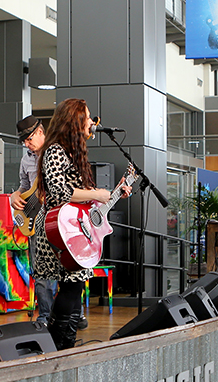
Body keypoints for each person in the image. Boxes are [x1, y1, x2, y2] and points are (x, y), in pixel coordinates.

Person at [32, 99, 130, 349]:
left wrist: (115, 192)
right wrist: (97, 194)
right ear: (73, 121)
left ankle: (65, 345)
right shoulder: (54, 150)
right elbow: (58, 190)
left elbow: (83, 200)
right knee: (71, 288)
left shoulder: (72, 152)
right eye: (86, 117)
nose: (92, 122)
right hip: (59, 229)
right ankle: (57, 346)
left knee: (74, 288)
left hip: (73, 228)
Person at [11, 115, 71, 328]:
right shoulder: (26, 158)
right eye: (24, 141)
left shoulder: (59, 153)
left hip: (61, 221)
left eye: (29, 139)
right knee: (42, 270)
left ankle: (72, 314)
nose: (27, 144)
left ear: (40, 132)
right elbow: (24, 186)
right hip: (36, 221)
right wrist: (14, 196)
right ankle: (45, 317)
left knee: (68, 268)